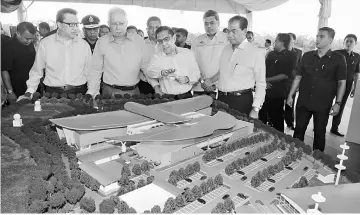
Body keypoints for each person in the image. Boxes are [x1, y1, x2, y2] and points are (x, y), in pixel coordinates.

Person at [287, 27, 347, 152]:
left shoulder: (339, 59)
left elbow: (342, 83)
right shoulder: (307, 56)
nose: (317, 39)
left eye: (321, 36)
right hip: (303, 101)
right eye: (317, 36)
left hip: (323, 104)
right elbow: (298, 77)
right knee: (298, 131)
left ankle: (318, 162)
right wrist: (290, 95)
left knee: (319, 134)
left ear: (330, 40)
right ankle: (294, 157)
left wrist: (338, 103)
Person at [18, 8, 92, 99]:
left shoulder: (84, 45)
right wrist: (29, 92)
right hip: (53, 94)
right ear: (59, 25)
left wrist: (92, 93)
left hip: (79, 93)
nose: (76, 28)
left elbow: (90, 73)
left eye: (77, 24)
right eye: (72, 25)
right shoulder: (45, 44)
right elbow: (36, 72)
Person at [87, 7, 148, 98]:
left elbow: (146, 66)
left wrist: (157, 83)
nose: (118, 27)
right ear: (109, 24)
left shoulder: (138, 41)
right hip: (109, 92)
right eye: (114, 23)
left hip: (134, 92)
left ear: (127, 22)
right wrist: (91, 92)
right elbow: (96, 70)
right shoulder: (102, 42)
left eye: (121, 23)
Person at [218, 15, 266, 118]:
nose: (229, 35)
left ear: (244, 31)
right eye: (228, 31)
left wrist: (255, 108)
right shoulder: (225, 49)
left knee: (239, 133)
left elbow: (261, 83)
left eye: (234, 31)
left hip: (241, 102)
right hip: (221, 99)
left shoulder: (255, 52)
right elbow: (223, 73)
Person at [147, 26, 200, 99]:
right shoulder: (157, 57)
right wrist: (162, 73)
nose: (164, 44)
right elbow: (149, 72)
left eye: (166, 39)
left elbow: (196, 73)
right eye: (160, 41)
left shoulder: (187, 53)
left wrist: (188, 79)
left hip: (186, 96)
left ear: (174, 38)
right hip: (166, 97)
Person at [259, 33, 293, 132]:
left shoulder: (289, 56)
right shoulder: (271, 53)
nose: (274, 43)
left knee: (276, 117)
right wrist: (263, 81)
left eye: (276, 41)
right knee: (262, 116)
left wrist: (266, 80)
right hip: (265, 90)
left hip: (277, 92)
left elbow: (284, 75)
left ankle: (279, 140)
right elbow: (263, 68)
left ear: (282, 42)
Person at [191, 10, 228, 96]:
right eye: (206, 23)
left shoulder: (227, 39)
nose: (209, 26)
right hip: (200, 87)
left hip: (220, 86)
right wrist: (203, 82)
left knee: (219, 109)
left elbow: (229, 63)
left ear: (218, 22)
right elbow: (193, 64)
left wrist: (211, 80)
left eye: (212, 23)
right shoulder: (197, 40)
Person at [331, 34, 360, 136]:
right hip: (333, 83)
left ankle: (334, 128)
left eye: (351, 41)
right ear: (344, 42)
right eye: (347, 41)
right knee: (326, 103)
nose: (348, 43)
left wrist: (355, 87)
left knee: (341, 105)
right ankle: (320, 124)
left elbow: (357, 73)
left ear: (355, 43)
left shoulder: (357, 56)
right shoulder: (336, 53)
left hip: (347, 85)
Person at [1, 22, 36, 103]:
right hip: (17, 88)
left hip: (32, 85)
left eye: (32, 39)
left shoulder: (29, 44)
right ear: (18, 33)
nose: (29, 41)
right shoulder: (7, 46)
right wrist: (10, 92)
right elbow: (4, 70)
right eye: (27, 38)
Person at [140, 16, 164, 95]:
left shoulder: (167, 45)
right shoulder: (141, 45)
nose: (154, 31)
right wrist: (156, 86)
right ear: (147, 29)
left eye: (157, 27)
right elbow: (145, 68)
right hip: (146, 86)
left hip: (165, 84)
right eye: (151, 28)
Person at [285, 32, 303, 130]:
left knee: (290, 103)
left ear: (294, 41)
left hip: (292, 82)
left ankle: (290, 123)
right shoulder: (279, 51)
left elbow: (300, 69)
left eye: (290, 39)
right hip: (280, 82)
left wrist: (298, 84)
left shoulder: (299, 52)